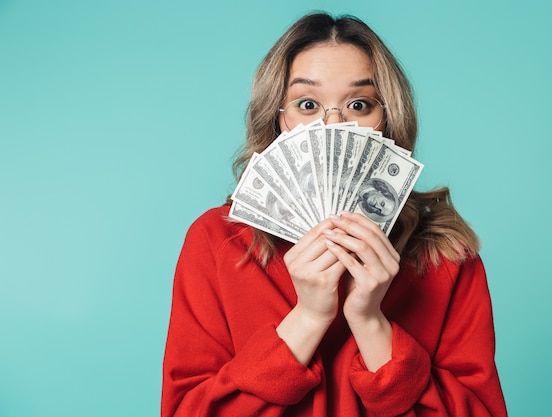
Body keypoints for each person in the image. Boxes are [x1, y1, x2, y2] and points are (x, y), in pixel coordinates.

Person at [161, 12, 508, 417]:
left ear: (388, 120)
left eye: (358, 104)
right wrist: (308, 318)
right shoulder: (217, 242)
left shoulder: (446, 255)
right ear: (279, 121)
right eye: (307, 104)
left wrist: (371, 324)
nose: (334, 127)